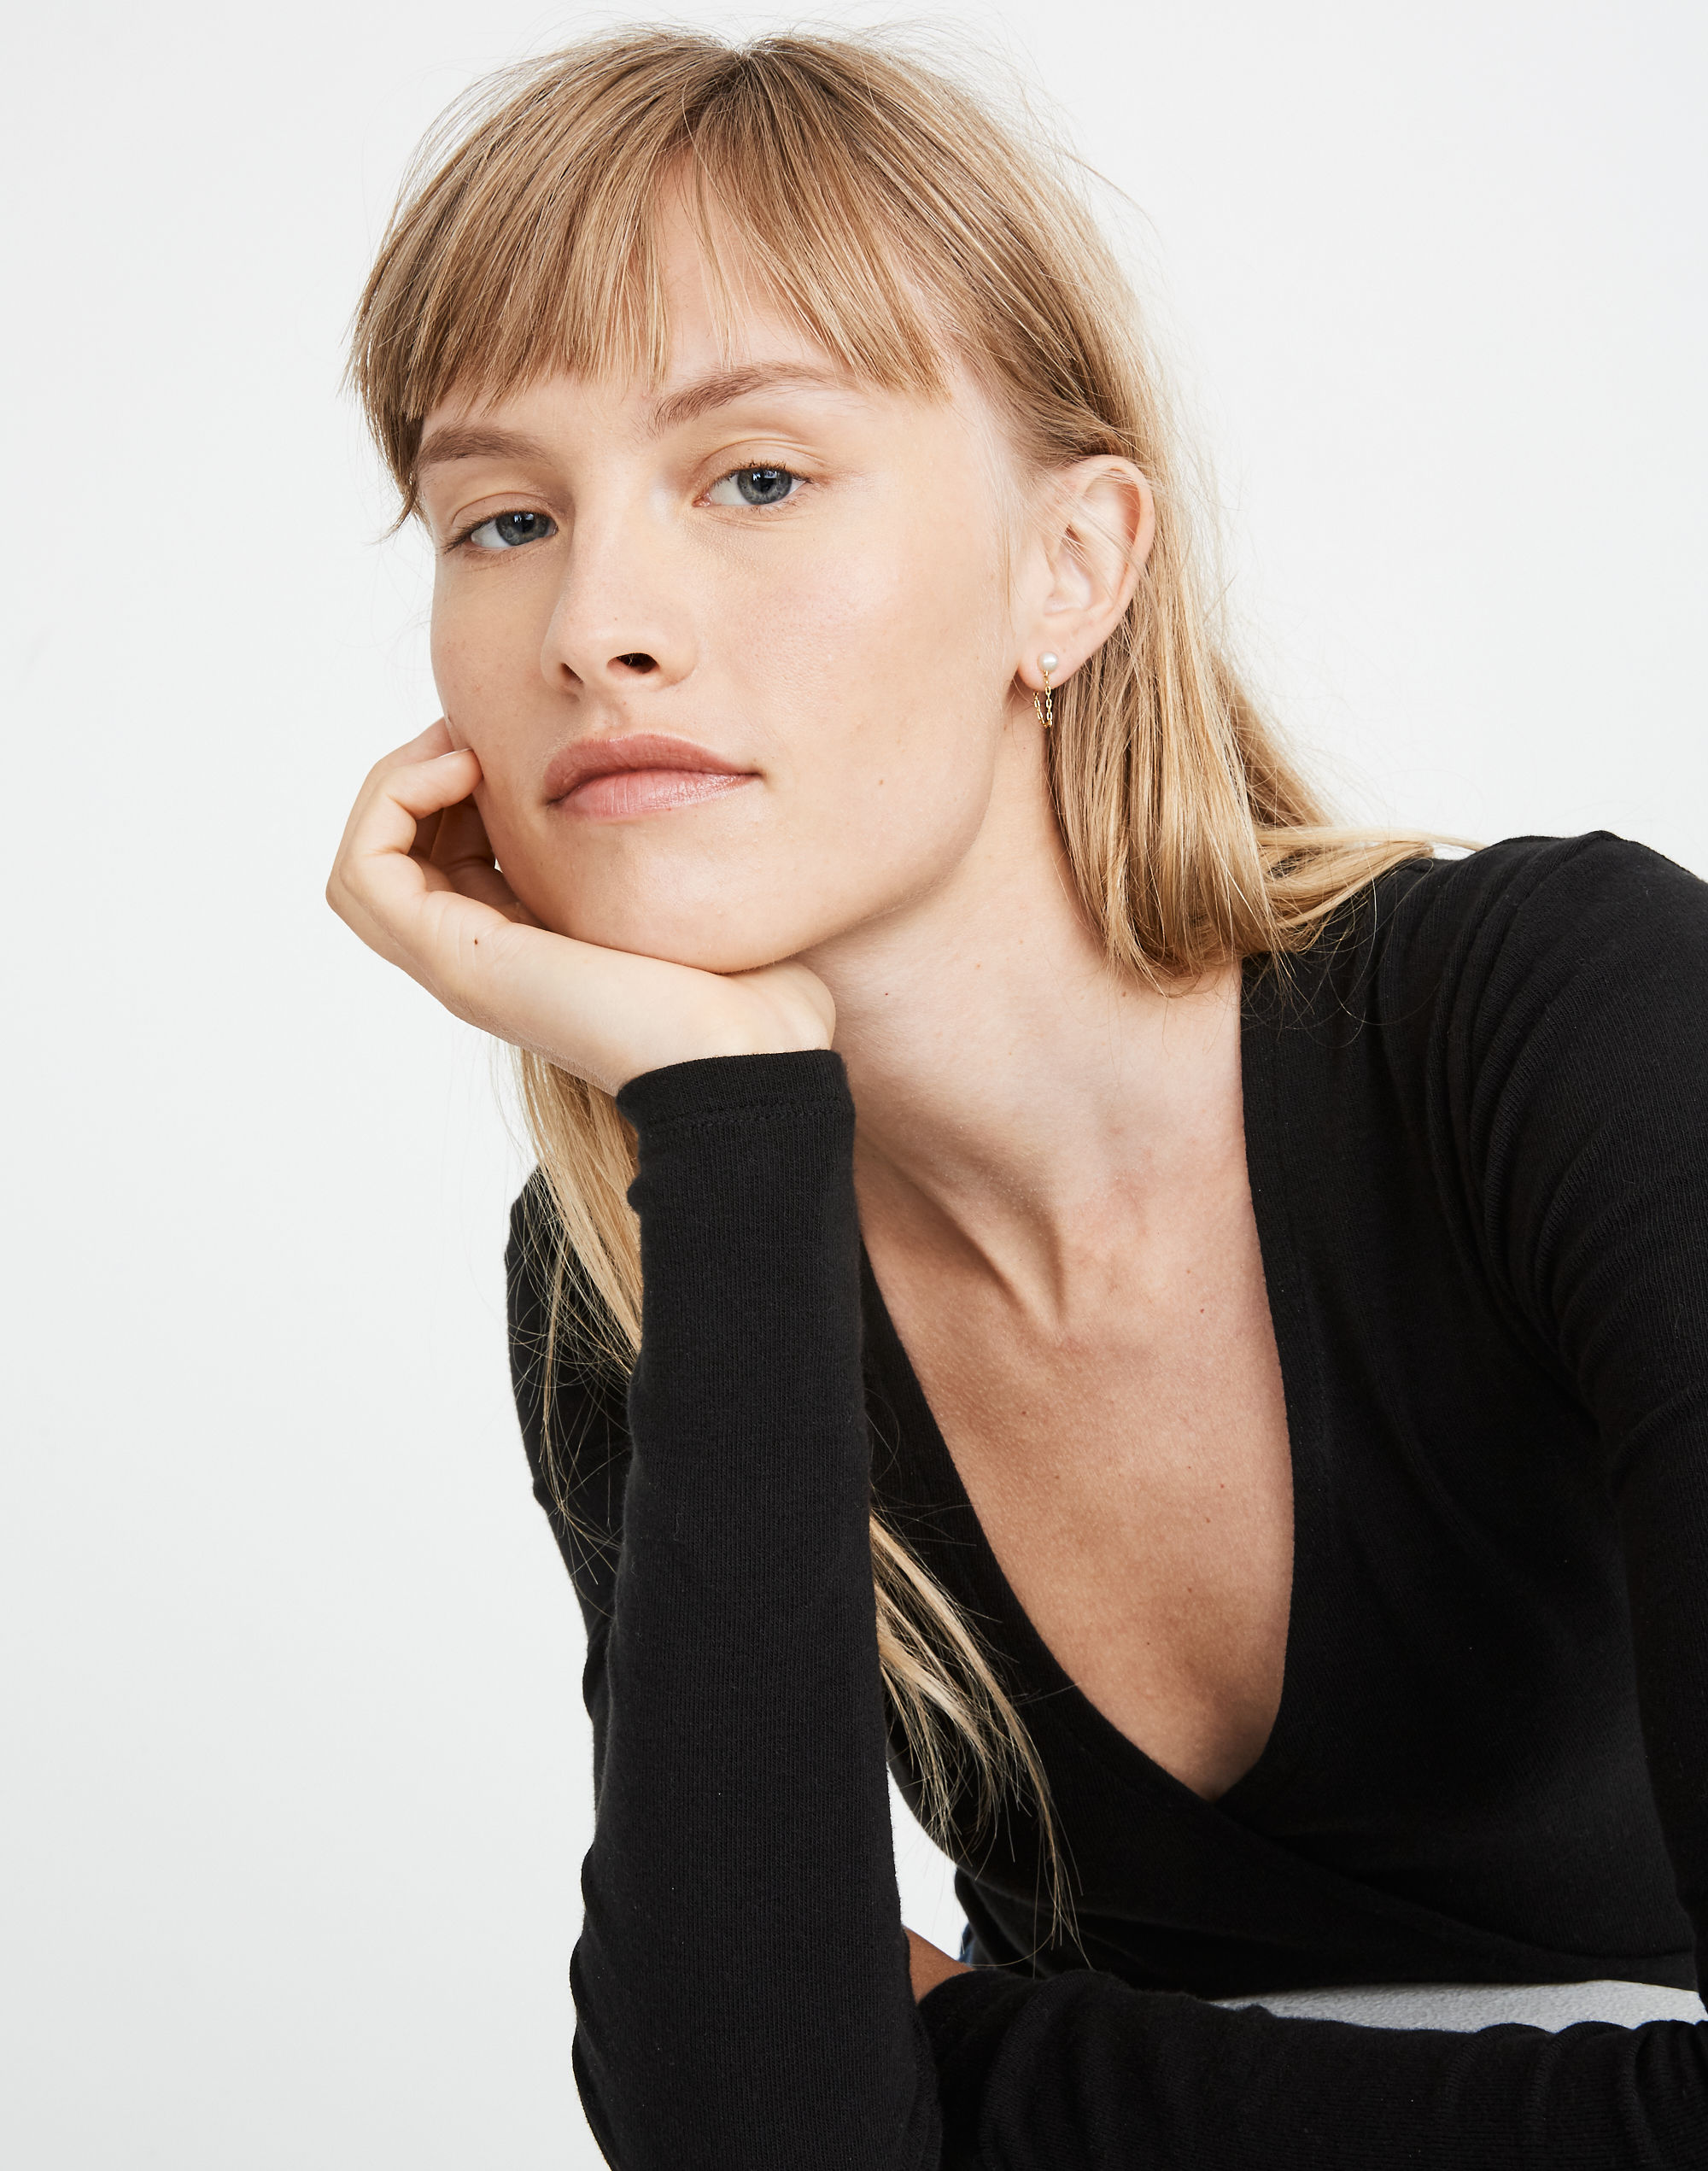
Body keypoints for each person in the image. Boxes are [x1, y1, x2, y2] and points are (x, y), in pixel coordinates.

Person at [326, 28, 1708, 2168]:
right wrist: (731, 1129)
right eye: (502, 516)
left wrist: (975, 2063)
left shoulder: (1562, 1016)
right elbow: (748, 2133)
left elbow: (855, 2110)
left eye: (755, 477)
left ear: (1069, 566)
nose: (595, 624)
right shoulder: (645, 1247)